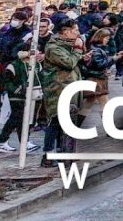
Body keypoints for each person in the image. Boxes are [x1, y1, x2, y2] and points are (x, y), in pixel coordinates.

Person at [39, 19, 83, 166]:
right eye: (75, 30)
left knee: (65, 123)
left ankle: (63, 153)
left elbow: (72, 63)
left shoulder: (66, 46)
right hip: (57, 90)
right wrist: (77, 51)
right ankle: (48, 155)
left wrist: (82, 56)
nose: (78, 33)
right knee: (55, 122)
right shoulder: (54, 48)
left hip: (69, 88)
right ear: (65, 31)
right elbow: (69, 63)